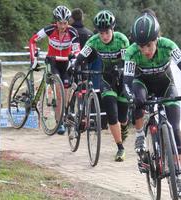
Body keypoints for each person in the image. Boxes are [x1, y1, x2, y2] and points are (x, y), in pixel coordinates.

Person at [122, 13, 181, 198]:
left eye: (149, 45)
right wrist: (131, 97)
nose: (145, 50)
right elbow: (126, 81)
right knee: (138, 98)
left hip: (166, 85)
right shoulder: (132, 52)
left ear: (156, 39)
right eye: (142, 46)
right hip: (142, 84)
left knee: (175, 129)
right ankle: (140, 134)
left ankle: (178, 176)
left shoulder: (168, 45)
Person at [69, 10, 130, 162]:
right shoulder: (94, 41)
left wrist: (121, 71)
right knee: (111, 113)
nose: (104, 36)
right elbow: (82, 55)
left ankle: (124, 126)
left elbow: (127, 61)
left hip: (122, 78)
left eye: (107, 32)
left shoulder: (121, 40)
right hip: (107, 78)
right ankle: (120, 148)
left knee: (123, 117)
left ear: (113, 29)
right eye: (101, 32)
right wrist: (75, 65)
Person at [29, 5, 80, 134]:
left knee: (66, 91)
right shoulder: (50, 30)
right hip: (53, 61)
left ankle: (65, 115)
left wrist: (75, 59)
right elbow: (32, 41)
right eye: (59, 23)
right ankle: (60, 122)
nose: (62, 26)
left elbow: (77, 49)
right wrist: (33, 59)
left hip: (65, 63)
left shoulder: (73, 32)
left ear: (68, 22)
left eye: (65, 23)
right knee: (58, 88)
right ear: (55, 22)